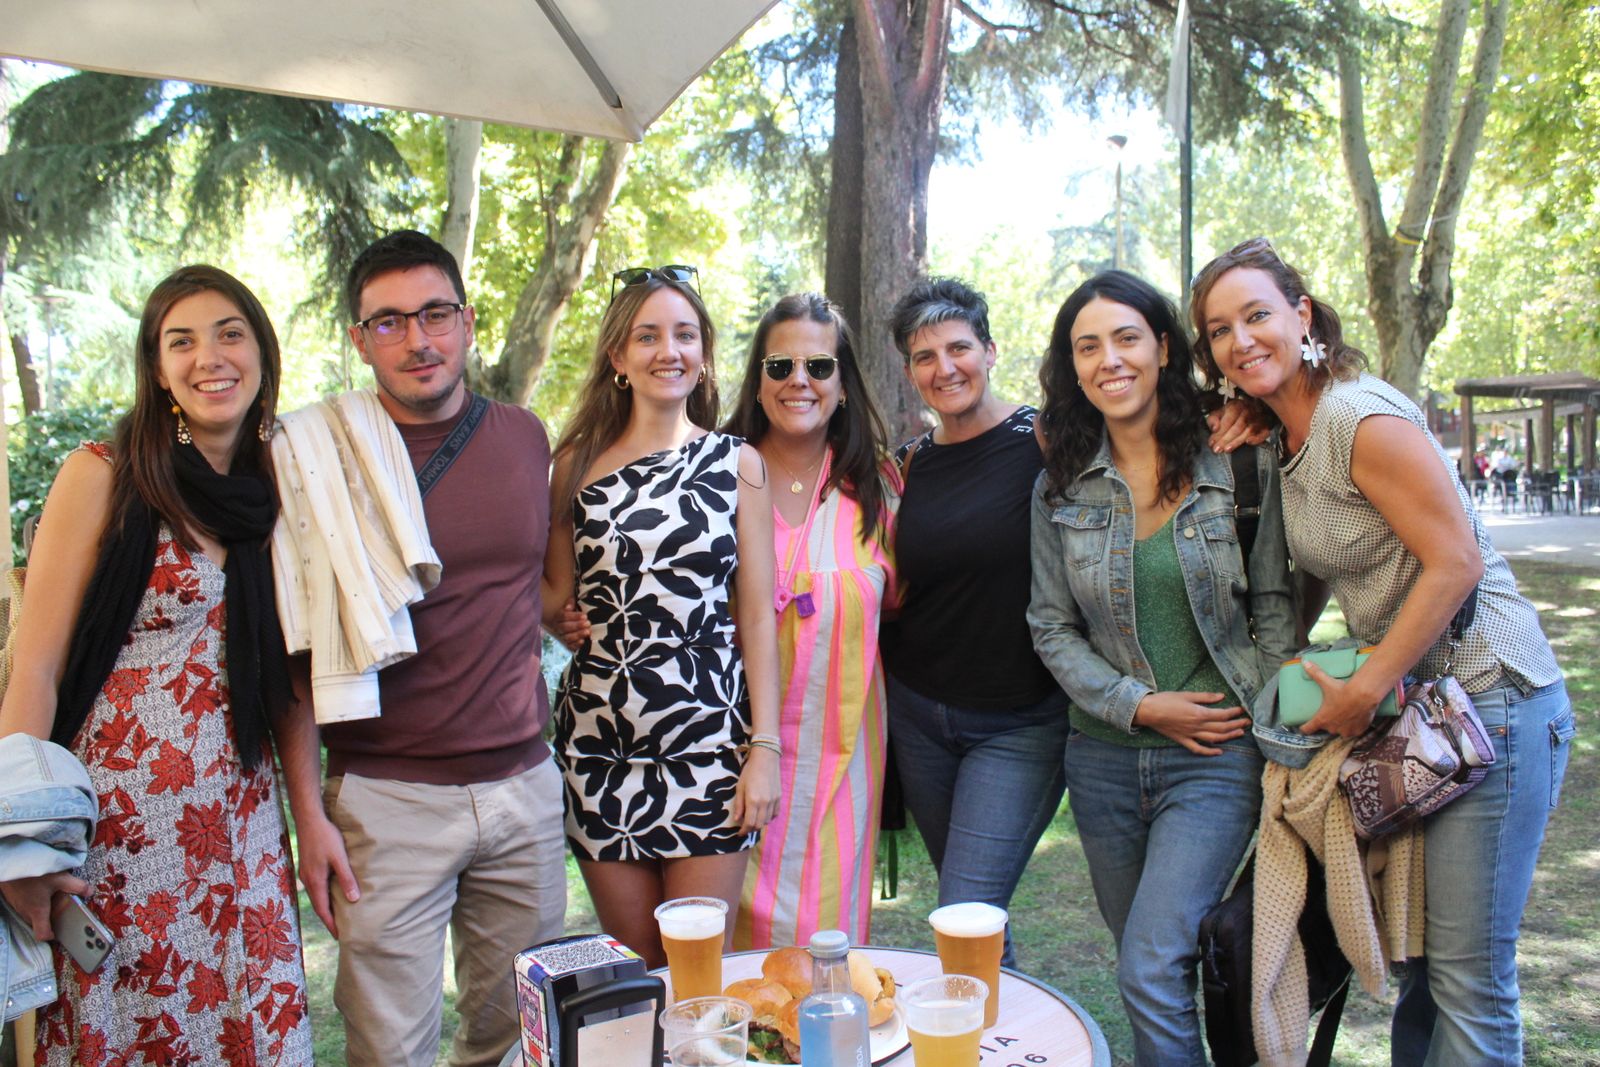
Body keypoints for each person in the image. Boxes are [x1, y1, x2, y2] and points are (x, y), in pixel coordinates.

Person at [1191, 237, 1575, 1067]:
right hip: (1428, 711)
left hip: (1493, 699)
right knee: (1425, 971)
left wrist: (1364, 685)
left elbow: (1457, 561)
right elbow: (1332, 563)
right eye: (1219, 330)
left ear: (1301, 315)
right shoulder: (1288, 436)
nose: (1241, 340)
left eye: (1257, 315)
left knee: (1469, 984)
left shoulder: (1355, 416)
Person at [0, 265, 312, 1063]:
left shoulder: (276, 486)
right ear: (158, 367)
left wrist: (309, 818)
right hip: (120, 846)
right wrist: (19, 848)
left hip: (240, 837)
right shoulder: (101, 475)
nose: (210, 356)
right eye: (183, 340)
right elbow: (34, 669)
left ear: (262, 352)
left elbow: (288, 675)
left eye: (230, 332)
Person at [280, 230, 566, 1066]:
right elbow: (295, 656)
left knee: (515, 1036)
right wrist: (310, 816)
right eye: (389, 322)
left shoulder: (525, 436)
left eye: (435, 313)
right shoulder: (310, 456)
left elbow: (532, 585)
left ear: (468, 322)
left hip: (523, 786)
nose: (418, 339)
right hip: (386, 797)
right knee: (388, 1047)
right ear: (359, 338)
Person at [1026, 270, 1297, 1065]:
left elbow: (1276, 604)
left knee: (1150, 961)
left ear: (1164, 347)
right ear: (1072, 367)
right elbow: (1050, 626)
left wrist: (1281, 737)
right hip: (1103, 760)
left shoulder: (1238, 461)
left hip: (1215, 756)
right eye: (1088, 345)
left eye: (1126, 337)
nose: (1109, 359)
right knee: (1153, 969)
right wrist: (1141, 706)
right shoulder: (1060, 485)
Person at [545, 265, 781, 968]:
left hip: (708, 744)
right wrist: (560, 615)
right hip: (600, 746)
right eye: (647, 336)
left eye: (684, 334)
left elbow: (758, 619)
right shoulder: (573, 466)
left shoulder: (738, 463)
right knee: (641, 973)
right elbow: (551, 589)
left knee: (702, 970)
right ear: (618, 357)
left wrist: (762, 749)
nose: (667, 350)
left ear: (704, 353)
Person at [878, 277, 1071, 967]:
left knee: (963, 911)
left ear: (990, 351)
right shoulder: (906, 465)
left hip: (1020, 722)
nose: (945, 367)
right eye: (925, 356)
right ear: (910, 372)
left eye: (959, 347)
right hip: (919, 719)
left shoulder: (1046, 439)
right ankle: (1007, 1035)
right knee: (975, 916)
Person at [721, 293, 897, 950]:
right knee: (729, 969)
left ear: (843, 385)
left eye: (820, 366)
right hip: (727, 765)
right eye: (780, 366)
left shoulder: (880, 489)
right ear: (758, 381)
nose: (800, 380)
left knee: (823, 959)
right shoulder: (714, 476)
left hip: (842, 768)